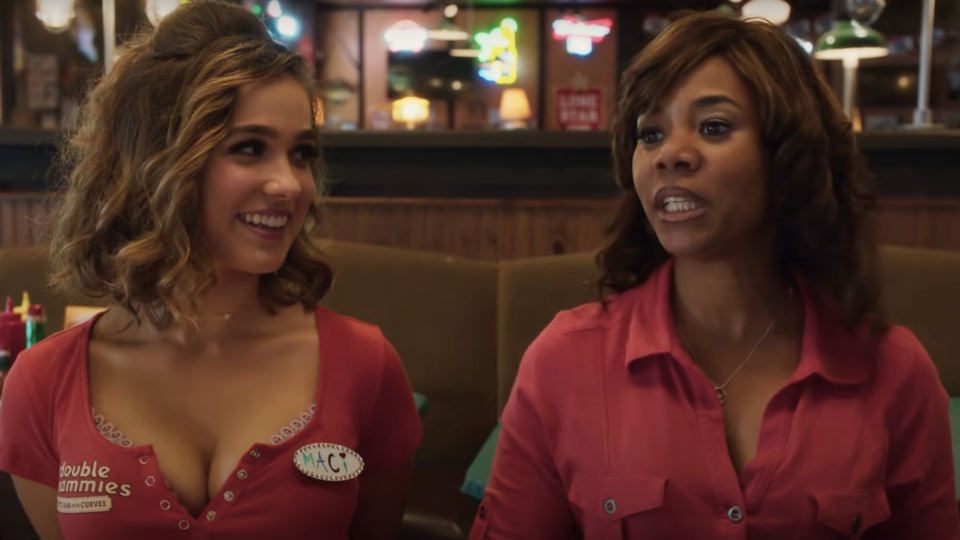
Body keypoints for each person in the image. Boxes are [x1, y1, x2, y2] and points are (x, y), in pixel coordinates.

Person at [470, 10, 960, 540]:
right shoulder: (564, 361)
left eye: (714, 127)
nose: (671, 156)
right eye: (651, 133)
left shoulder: (894, 371)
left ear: (788, 156)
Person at [0, 2, 422, 539]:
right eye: (250, 148)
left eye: (301, 153)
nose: (290, 185)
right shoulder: (42, 383)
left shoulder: (366, 365)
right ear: (157, 162)